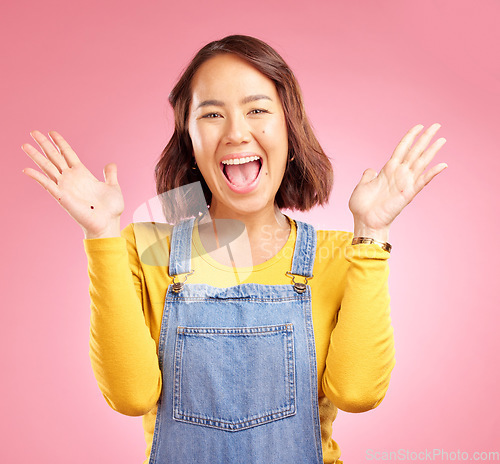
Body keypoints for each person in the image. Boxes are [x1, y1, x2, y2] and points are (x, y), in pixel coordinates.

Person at [21, 35, 447, 464]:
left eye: (258, 109)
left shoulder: (339, 255)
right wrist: (101, 233)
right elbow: (130, 397)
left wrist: (372, 231)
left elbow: (357, 394)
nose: (236, 132)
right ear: (189, 139)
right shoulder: (144, 247)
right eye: (211, 114)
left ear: (289, 129)